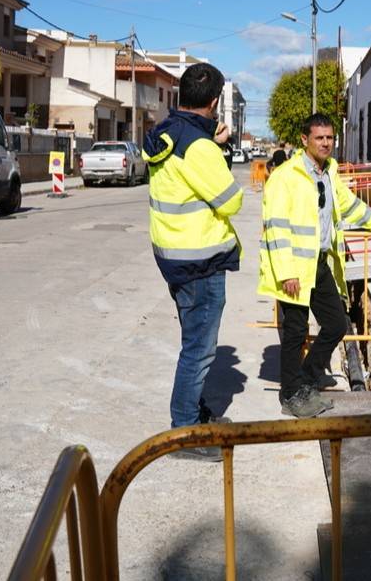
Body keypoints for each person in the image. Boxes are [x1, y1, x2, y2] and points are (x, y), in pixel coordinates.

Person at [258, 113, 371, 417]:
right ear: (304, 140)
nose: (326, 143)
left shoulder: (330, 173)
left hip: (320, 264)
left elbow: (352, 207)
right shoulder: (286, 176)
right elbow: (276, 228)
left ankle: (304, 381)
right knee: (295, 332)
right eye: (319, 138)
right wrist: (287, 272)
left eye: (330, 137)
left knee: (336, 324)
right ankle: (291, 395)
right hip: (295, 268)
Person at [142, 62, 244, 461]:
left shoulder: (166, 132)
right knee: (199, 350)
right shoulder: (199, 147)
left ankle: (194, 412)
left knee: (193, 342)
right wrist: (216, 148)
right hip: (201, 260)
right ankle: (184, 432)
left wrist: (209, 143)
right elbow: (230, 200)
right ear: (215, 102)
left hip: (175, 255)